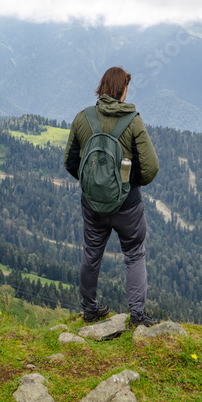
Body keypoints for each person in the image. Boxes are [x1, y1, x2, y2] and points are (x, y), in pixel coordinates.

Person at [63, 66, 159, 327]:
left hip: (93, 205)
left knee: (91, 255)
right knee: (134, 255)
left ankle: (89, 309)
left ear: (102, 88)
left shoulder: (83, 119)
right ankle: (137, 317)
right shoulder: (133, 121)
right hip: (127, 207)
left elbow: (70, 162)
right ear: (122, 90)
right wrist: (127, 186)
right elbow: (150, 168)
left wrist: (94, 184)